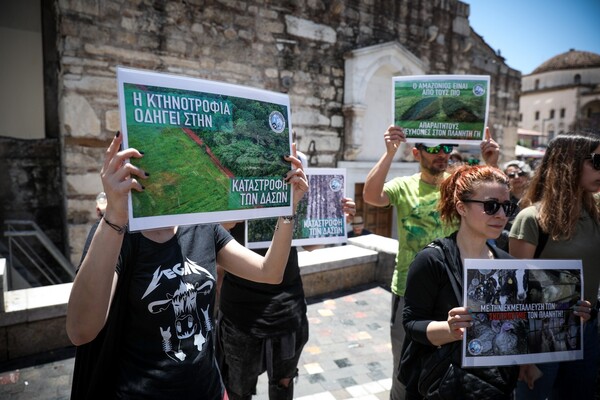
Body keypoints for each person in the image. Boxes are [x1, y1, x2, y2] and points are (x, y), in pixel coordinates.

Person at [66, 131, 309, 399]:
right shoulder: (118, 235)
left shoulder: (201, 224)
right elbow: (80, 330)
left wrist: (289, 209)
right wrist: (114, 215)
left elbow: (269, 272)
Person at [362, 124, 500, 399]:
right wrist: (389, 153)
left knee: (454, 370)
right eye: (434, 148)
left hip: (456, 292)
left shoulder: (458, 186)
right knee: (405, 368)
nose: (442, 154)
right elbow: (370, 196)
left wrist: (491, 164)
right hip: (409, 293)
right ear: (416, 153)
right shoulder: (404, 185)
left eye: (446, 148)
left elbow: (493, 203)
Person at [400, 165, 521, 399]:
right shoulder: (432, 260)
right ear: (461, 207)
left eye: (507, 207)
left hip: (493, 386)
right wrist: (450, 329)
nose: (501, 216)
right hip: (442, 384)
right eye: (491, 206)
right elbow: (412, 324)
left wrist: (565, 316)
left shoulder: (506, 262)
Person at [216, 197, 356, 400]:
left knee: (283, 382)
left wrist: (338, 220)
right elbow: (216, 242)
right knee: (238, 386)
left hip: (285, 308)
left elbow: (310, 243)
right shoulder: (231, 186)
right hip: (240, 313)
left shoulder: (293, 189)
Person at [509, 132, 599, 400]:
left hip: (588, 331)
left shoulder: (595, 212)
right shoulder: (531, 219)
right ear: (568, 163)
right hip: (541, 338)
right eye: (597, 161)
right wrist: (524, 357)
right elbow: (517, 294)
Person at [494, 160, 532, 251]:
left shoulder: (535, 198)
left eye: (520, 174)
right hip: (506, 247)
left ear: (527, 176)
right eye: (511, 175)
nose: (516, 177)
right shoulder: (501, 200)